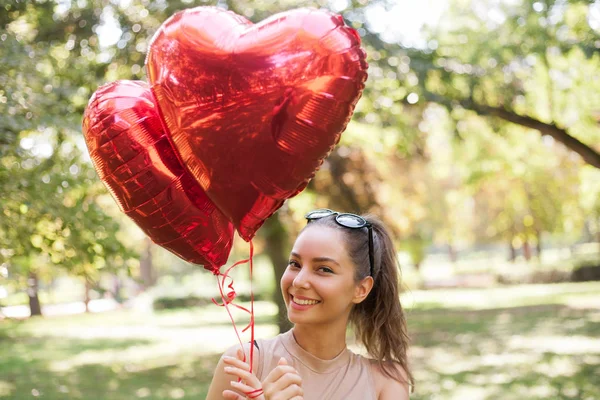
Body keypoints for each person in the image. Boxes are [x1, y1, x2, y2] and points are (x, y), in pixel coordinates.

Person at [206, 209, 413, 400]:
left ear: (361, 289)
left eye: (324, 269)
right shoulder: (242, 364)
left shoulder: (387, 383)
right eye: (295, 264)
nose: (298, 281)